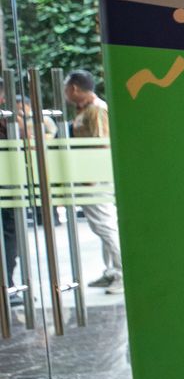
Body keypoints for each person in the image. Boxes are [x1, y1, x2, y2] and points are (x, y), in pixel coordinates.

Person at [63, 71, 122, 294]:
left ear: (74, 88)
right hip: (89, 177)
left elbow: (102, 144)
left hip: (95, 179)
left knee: (105, 225)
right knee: (102, 225)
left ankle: (122, 273)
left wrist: (92, 178)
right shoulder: (84, 110)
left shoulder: (97, 109)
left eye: (66, 89)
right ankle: (112, 271)